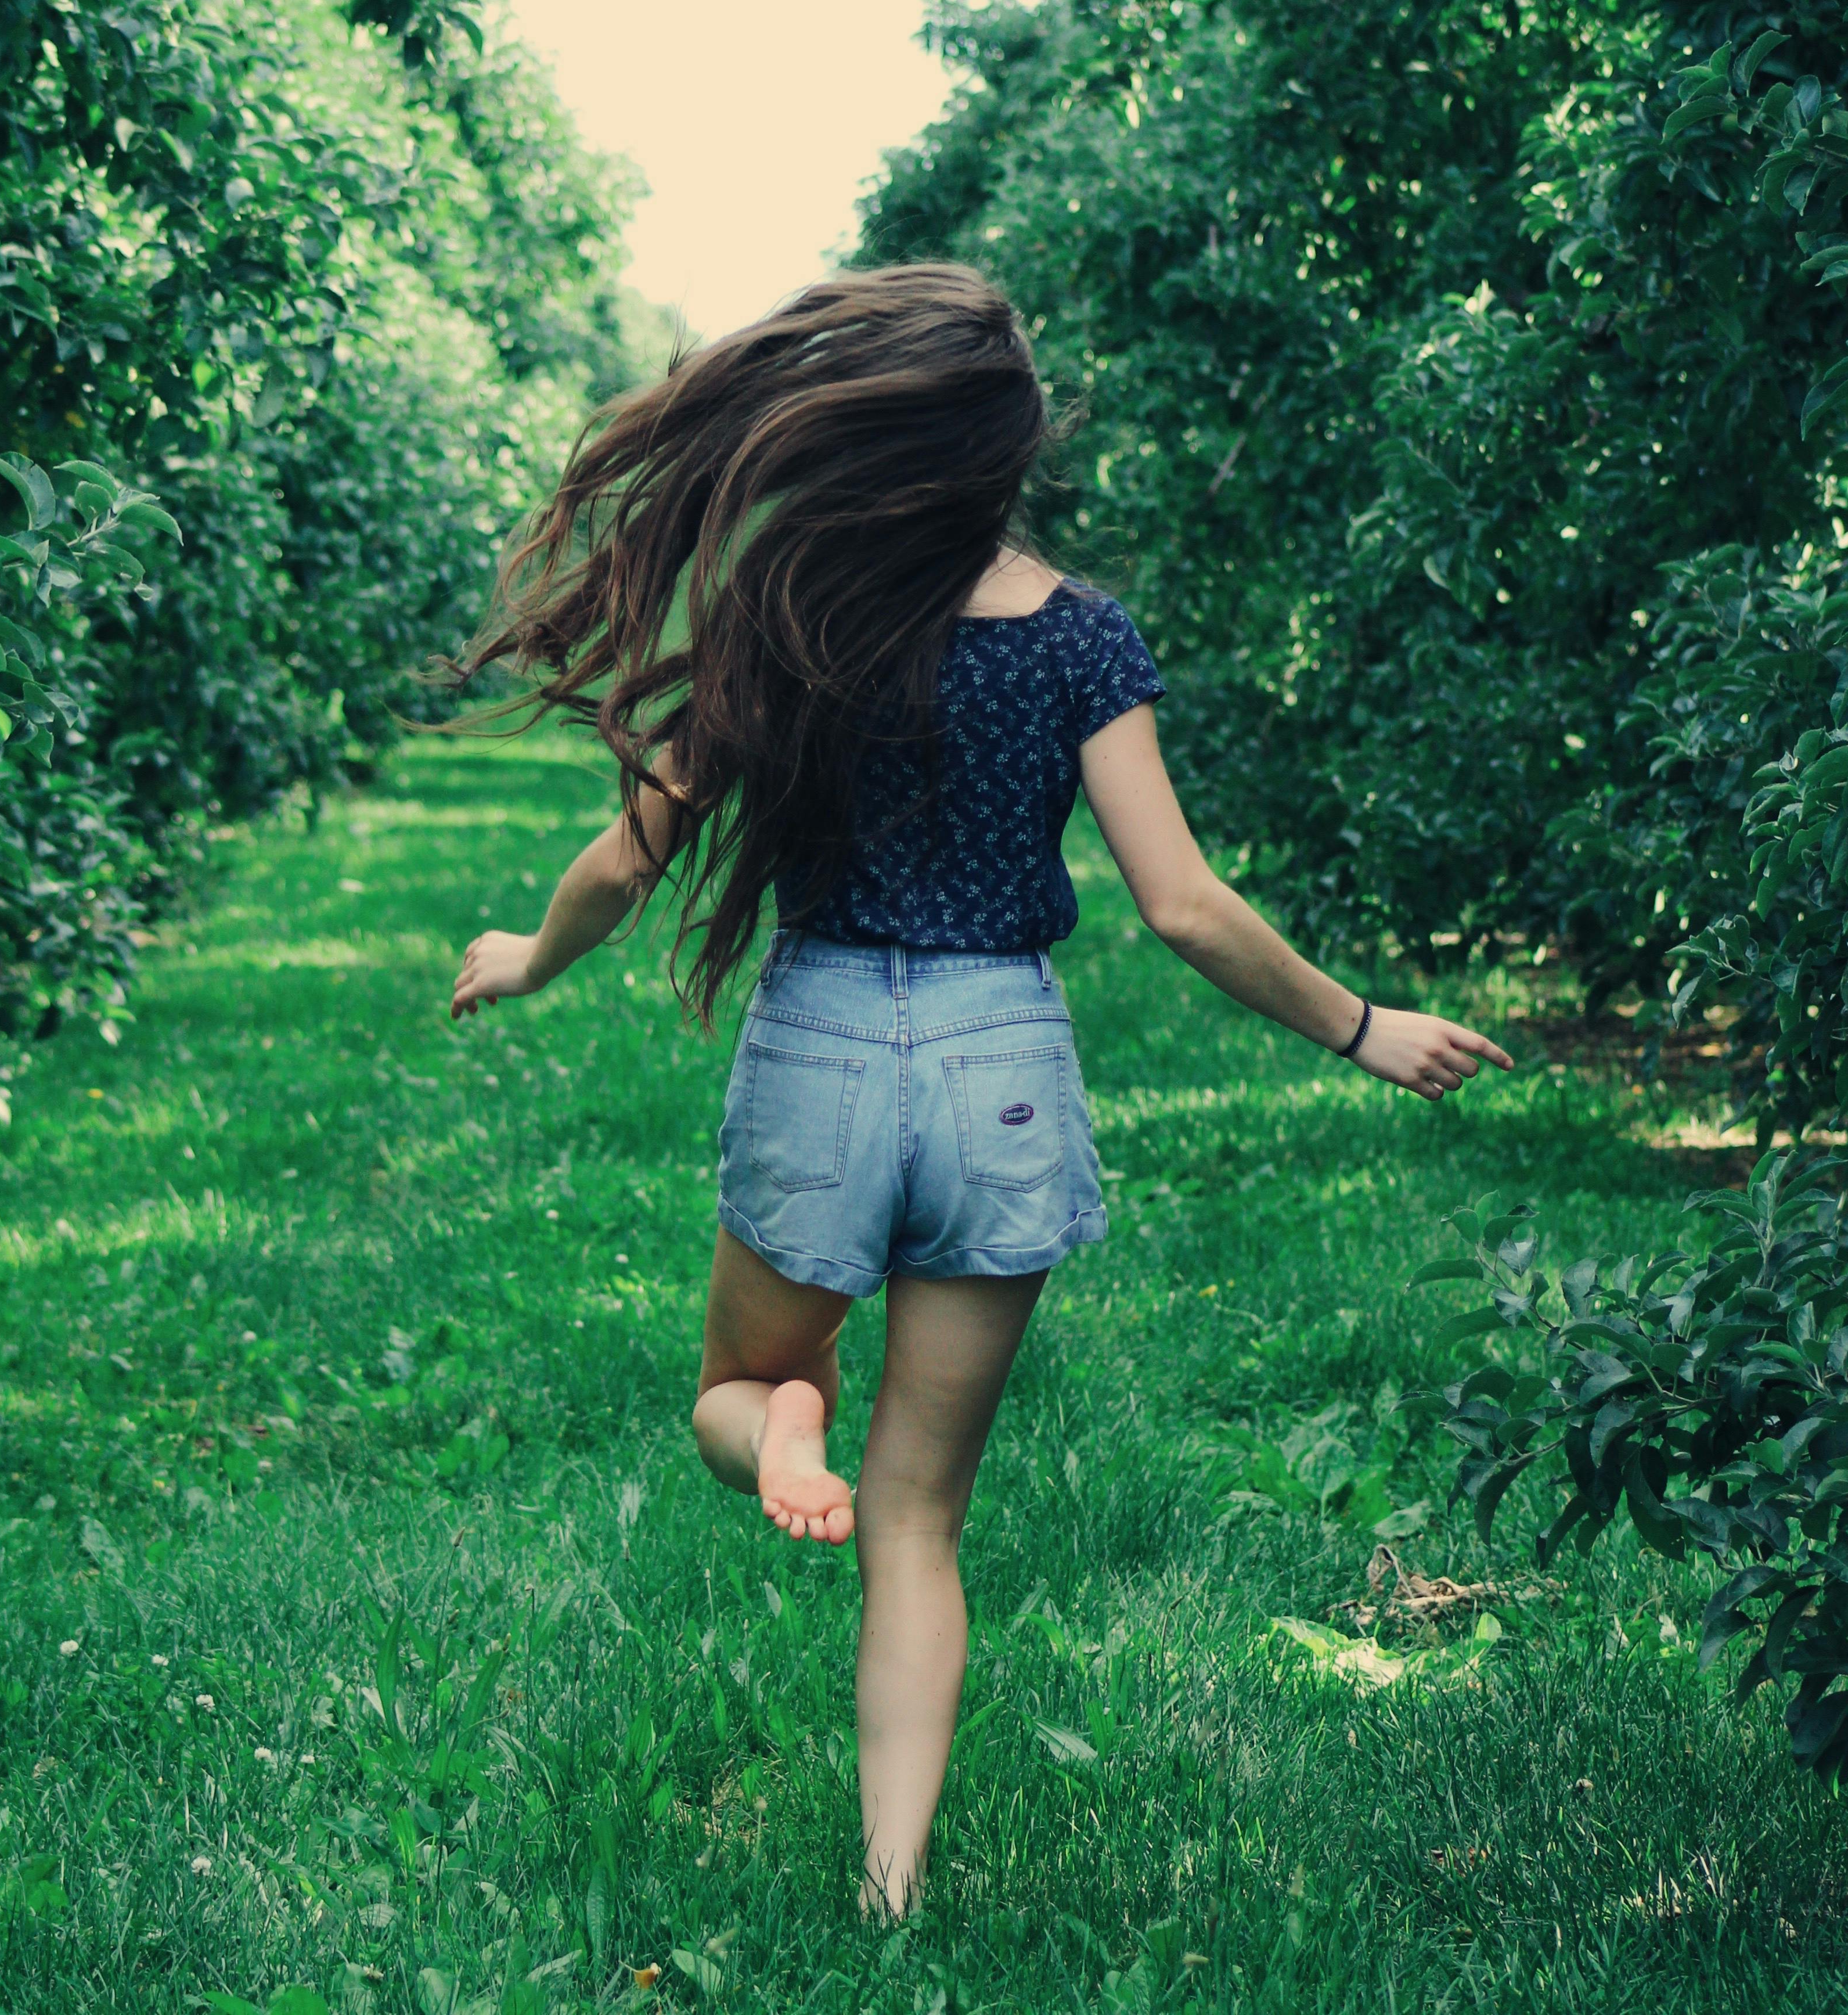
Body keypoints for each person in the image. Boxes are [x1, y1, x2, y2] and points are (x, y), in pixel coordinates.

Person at [445, 265, 1511, 1917]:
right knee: (918, 1514)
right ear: (1003, 455)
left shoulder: (789, 609)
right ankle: (889, 1885)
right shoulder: (1084, 638)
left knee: (735, 1390)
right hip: (999, 1062)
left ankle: (777, 1426)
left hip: (821, 1052)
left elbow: (628, 854)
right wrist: (1362, 1026)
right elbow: (1185, 904)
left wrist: (528, 957)